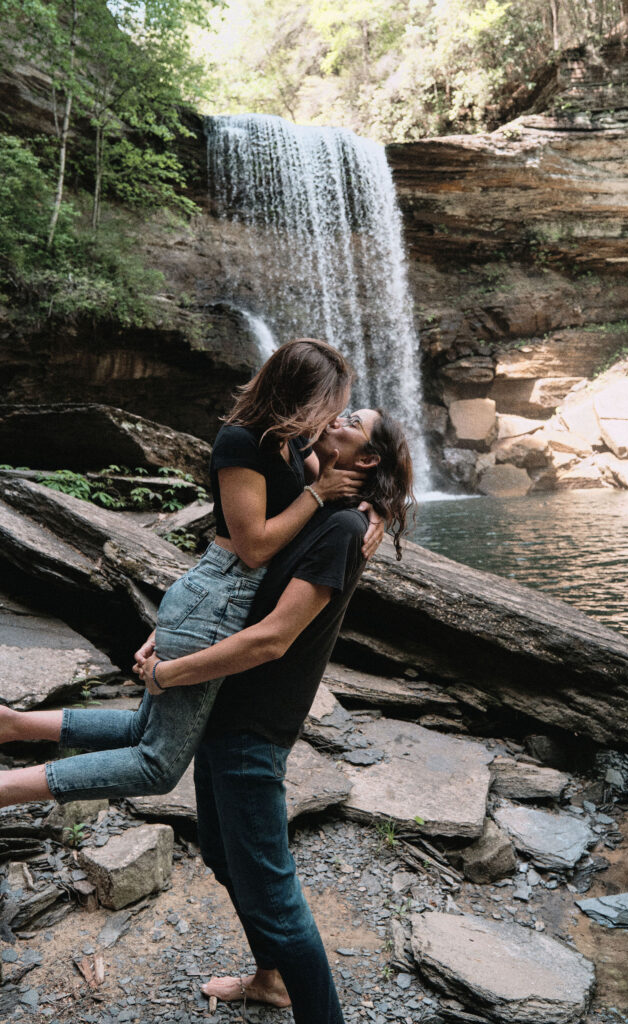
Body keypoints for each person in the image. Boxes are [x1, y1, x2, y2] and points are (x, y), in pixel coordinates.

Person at [0, 339, 384, 809]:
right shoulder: (242, 440)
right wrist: (319, 494)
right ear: (303, 394)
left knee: (145, 726)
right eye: (333, 407)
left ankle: (13, 725)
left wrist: (379, 506)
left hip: (217, 598)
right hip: (219, 597)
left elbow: (356, 474)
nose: (335, 419)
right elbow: (255, 547)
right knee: (156, 765)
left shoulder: (293, 442)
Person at [134, 408, 415, 1024]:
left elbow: (271, 640)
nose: (330, 419)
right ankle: (272, 981)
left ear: (365, 459)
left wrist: (170, 675)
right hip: (222, 701)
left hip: (253, 721)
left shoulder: (342, 527)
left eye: (349, 418)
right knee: (220, 854)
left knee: (276, 898)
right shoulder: (312, 496)